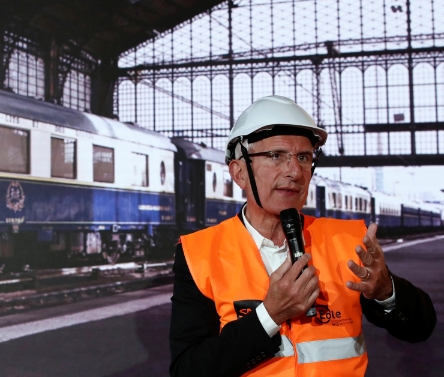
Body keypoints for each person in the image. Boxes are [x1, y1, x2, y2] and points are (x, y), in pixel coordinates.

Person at [169, 95, 436, 377]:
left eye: (304, 157)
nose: (294, 171)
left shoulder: (347, 243)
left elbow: (419, 329)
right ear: (239, 173)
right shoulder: (198, 255)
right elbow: (188, 369)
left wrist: (386, 291)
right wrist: (269, 316)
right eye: (276, 156)